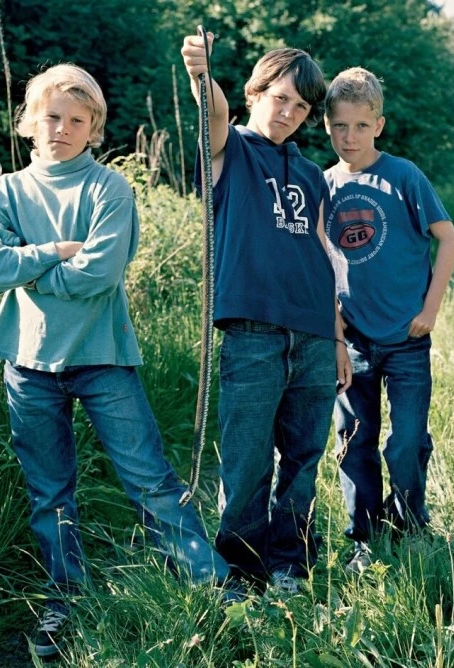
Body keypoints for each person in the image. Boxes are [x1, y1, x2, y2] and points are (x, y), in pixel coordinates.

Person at [0, 63, 233, 658]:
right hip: (27, 363)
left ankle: (212, 587)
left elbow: (98, 275)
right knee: (49, 492)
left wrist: (27, 267)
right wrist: (55, 250)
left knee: (151, 481)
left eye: (76, 120)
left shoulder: (108, 189)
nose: (61, 129)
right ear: (30, 122)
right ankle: (65, 599)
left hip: (103, 358)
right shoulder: (4, 193)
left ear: (94, 128)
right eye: (51, 117)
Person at [181, 32, 351, 594]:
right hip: (252, 333)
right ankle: (241, 568)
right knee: (247, 459)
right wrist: (202, 74)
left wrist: (337, 337)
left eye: (300, 107)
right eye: (279, 98)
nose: (288, 113)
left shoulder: (312, 175)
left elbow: (324, 258)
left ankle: (290, 562)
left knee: (303, 458)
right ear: (255, 94)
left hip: (313, 337)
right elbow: (213, 116)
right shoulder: (230, 152)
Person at [322, 67, 454, 572]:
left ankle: (409, 524)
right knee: (354, 440)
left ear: (378, 125)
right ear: (326, 125)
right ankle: (364, 536)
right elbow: (320, 265)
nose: (350, 137)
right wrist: (335, 335)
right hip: (353, 341)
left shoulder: (403, 176)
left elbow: (448, 239)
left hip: (406, 337)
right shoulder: (324, 185)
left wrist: (430, 309)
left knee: (405, 442)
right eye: (339, 126)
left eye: (361, 126)